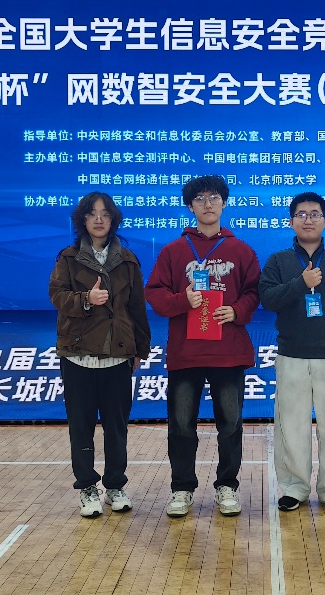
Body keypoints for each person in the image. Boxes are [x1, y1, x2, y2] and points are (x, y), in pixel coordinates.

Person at [145, 175, 261, 517]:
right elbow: (155, 294)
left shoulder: (241, 250)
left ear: (224, 203)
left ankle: (227, 486)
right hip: (186, 353)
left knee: (231, 424)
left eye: (214, 198)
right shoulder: (173, 251)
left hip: (228, 352)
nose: (207, 204)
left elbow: (255, 292)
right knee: (181, 425)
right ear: (190, 206)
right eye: (199, 199)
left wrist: (236, 310)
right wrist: (183, 300)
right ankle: (182, 488)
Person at [259, 192, 325, 514]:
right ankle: (294, 488)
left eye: (315, 214)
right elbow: (268, 299)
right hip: (292, 355)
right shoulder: (278, 261)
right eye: (302, 214)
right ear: (291, 221)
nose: (308, 220)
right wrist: (300, 283)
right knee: (291, 426)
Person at [49, 192, 151, 518]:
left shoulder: (128, 261)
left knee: (116, 427)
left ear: (113, 220)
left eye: (104, 214)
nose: (98, 219)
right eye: (92, 214)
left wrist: (140, 348)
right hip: (77, 355)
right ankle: (87, 488)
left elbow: (137, 309)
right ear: (82, 220)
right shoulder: (68, 258)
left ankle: (116, 485)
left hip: (117, 356)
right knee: (81, 427)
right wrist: (85, 299)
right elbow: (57, 296)